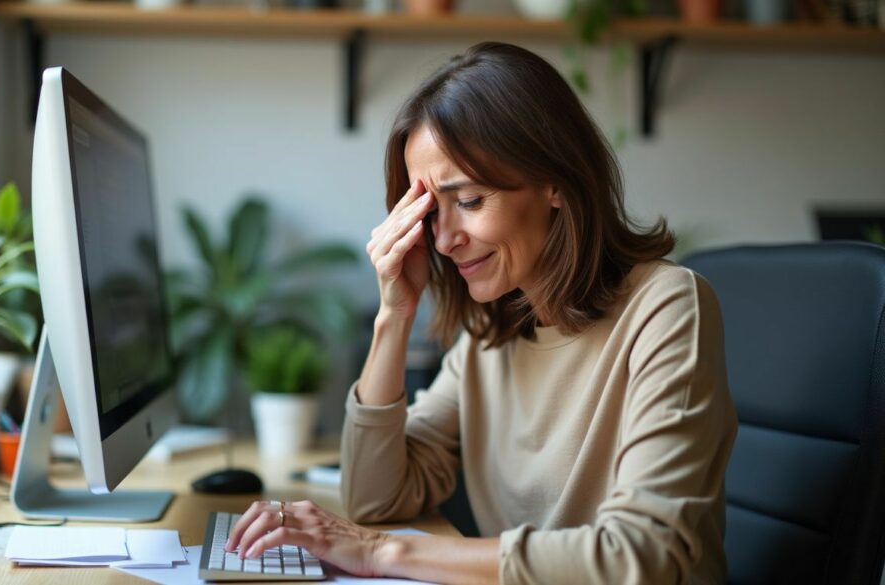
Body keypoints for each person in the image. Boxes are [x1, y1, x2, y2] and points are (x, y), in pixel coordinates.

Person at [225, 42, 737, 585]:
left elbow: (642, 555)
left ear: (555, 182)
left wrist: (382, 553)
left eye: (467, 201)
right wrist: (393, 317)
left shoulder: (666, 306)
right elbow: (377, 499)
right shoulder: (490, 336)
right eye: (429, 212)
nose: (444, 241)